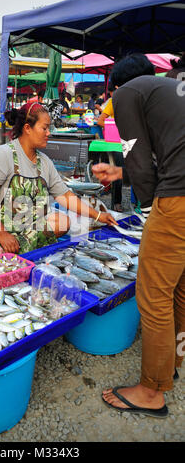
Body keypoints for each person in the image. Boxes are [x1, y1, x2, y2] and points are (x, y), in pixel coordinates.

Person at [92, 53, 185, 419]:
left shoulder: (128, 93)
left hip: (178, 199)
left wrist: (149, 216)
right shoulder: (169, 89)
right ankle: (173, 362)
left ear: (116, 86)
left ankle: (151, 392)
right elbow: (163, 155)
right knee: (179, 286)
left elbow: (144, 163)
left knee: (154, 294)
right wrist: (123, 175)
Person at [0, 101, 116, 260]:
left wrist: (97, 215)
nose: (48, 133)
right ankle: (6, 249)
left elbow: (66, 196)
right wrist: (1, 234)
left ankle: (8, 250)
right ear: (27, 128)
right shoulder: (3, 155)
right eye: (45, 128)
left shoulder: (45, 162)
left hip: (23, 225)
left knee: (62, 221)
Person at [97, 82, 123, 212]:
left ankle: (139, 204)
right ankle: (117, 202)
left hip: (134, 141)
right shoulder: (113, 102)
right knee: (118, 171)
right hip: (117, 143)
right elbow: (100, 121)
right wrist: (113, 127)